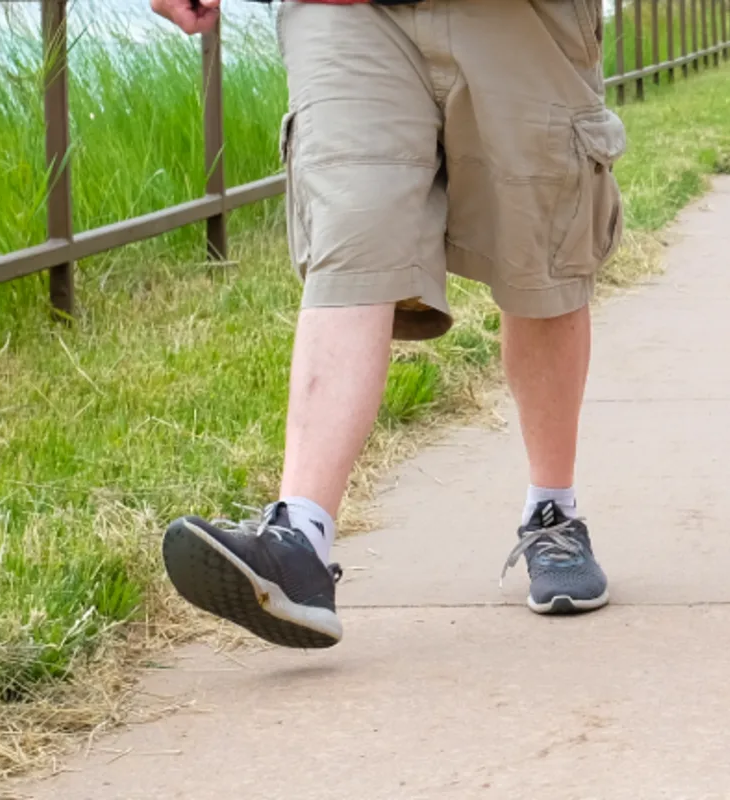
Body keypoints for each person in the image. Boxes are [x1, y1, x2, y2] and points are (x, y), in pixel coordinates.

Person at [147, 0, 628, 648]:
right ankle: (300, 537)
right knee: (354, 234)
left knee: (540, 257)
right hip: (343, 12)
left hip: (518, 17)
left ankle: (553, 513)